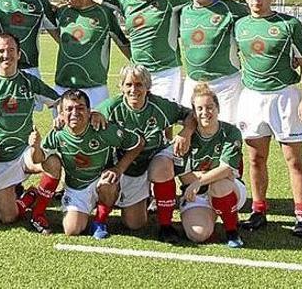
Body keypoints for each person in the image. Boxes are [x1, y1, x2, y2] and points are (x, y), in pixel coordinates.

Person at [234, 0, 302, 236]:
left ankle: (301, 216)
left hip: (284, 98)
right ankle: (259, 211)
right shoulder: (240, 26)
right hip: (252, 98)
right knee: (256, 159)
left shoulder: (288, 24)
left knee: (294, 160)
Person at [0, 33, 60, 224]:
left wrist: (61, 119)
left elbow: (59, 101)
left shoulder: (29, 82)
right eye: (1, 51)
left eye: (10, 50)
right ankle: (29, 197)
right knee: (8, 218)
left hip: (25, 154)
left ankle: (38, 211)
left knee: (53, 163)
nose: (6, 55)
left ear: (19, 54)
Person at [97, 64, 193, 243]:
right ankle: (114, 206)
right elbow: (86, 115)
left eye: (139, 84)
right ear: (121, 87)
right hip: (123, 167)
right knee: (134, 224)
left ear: (147, 87)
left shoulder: (160, 106)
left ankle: (166, 225)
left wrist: (185, 132)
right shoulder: (111, 107)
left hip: (151, 161)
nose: (134, 89)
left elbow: (190, 114)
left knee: (163, 167)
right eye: (128, 85)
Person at [41, 89, 143, 239]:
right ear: (61, 114)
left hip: (101, 180)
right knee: (72, 230)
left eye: (80, 108)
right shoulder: (58, 132)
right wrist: (35, 144)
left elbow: (138, 143)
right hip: (77, 186)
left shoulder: (101, 128)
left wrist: (119, 169)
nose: (75, 113)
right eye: (69, 109)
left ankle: (99, 221)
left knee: (134, 220)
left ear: (90, 111)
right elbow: (39, 156)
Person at [103, 0, 190, 103]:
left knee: (164, 118)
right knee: (138, 115)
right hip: (138, 72)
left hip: (166, 72)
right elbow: (102, 6)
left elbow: (200, 2)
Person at [175, 83, 246, 248]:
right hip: (196, 193)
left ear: (218, 108)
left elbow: (226, 169)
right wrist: (209, 176)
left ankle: (232, 231)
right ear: (194, 113)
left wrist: (199, 180)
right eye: (199, 109)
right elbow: (183, 175)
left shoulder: (231, 132)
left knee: (219, 184)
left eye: (209, 107)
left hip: (228, 187)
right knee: (197, 235)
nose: (205, 112)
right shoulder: (185, 137)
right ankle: (213, 214)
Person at [179, 0, 249, 123]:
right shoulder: (182, 11)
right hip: (193, 83)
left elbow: (259, 24)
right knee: (193, 131)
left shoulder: (232, 9)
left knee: (226, 132)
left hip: (225, 84)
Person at [53, 0, 130, 108]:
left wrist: (139, 66)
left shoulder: (104, 15)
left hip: (94, 89)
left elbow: (122, 43)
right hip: (62, 87)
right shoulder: (62, 12)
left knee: (96, 128)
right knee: (62, 129)